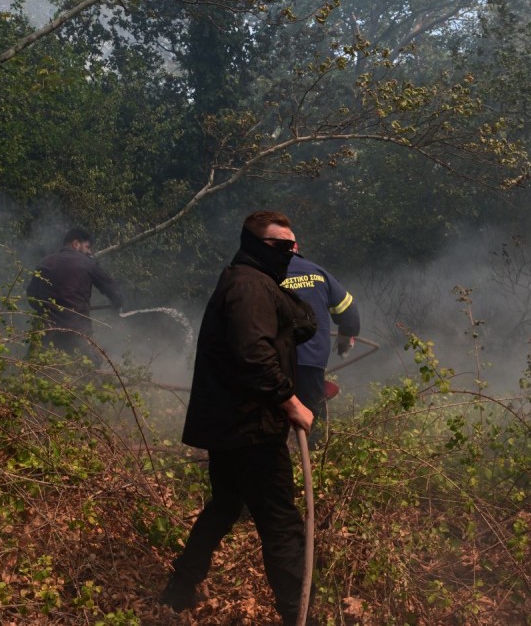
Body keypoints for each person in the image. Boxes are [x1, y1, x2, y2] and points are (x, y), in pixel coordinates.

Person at [160, 210, 318, 625]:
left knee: (226, 505)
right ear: (256, 244)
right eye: (283, 246)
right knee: (281, 523)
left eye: (295, 246)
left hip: (233, 425)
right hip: (251, 428)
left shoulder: (255, 281)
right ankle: (300, 615)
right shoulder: (248, 286)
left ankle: (177, 593)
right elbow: (254, 355)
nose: (291, 252)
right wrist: (291, 403)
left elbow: (303, 325)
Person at [281, 243, 360, 448]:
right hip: (310, 360)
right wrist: (345, 338)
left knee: (271, 415)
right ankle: (316, 462)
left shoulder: (261, 273)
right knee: (313, 416)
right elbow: (349, 310)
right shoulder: (317, 272)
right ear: (297, 249)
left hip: (272, 361)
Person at [25, 227, 124, 360]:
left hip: (47, 332)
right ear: (76, 244)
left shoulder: (44, 263)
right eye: (87, 247)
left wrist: (49, 311)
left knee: (35, 369)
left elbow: (31, 297)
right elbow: (111, 288)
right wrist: (117, 302)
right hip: (77, 331)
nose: (89, 252)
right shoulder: (87, 263)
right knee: (90, 370)